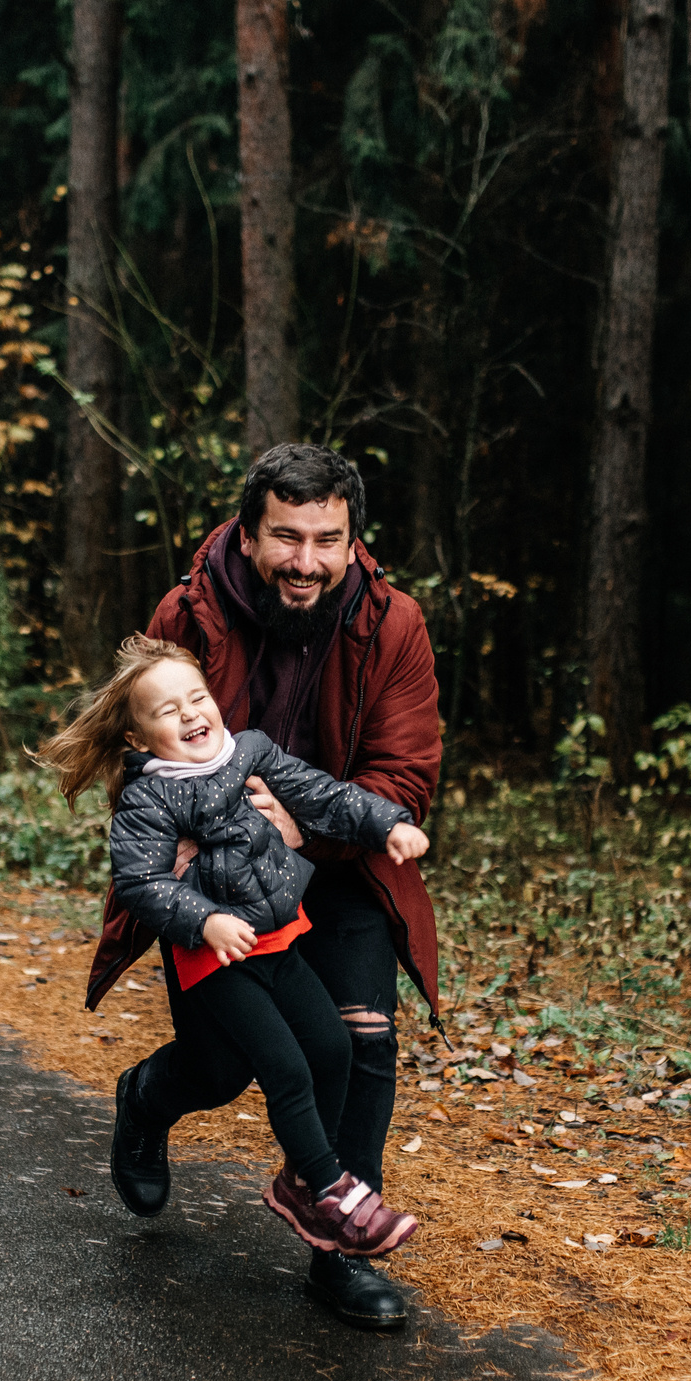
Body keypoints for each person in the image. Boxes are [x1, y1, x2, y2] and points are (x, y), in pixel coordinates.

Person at [84, 443, 443, 1328]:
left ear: (354, 539)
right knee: (224, 1064)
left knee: (359, 1041)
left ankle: (338, 1243)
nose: (307, 560)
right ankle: (146, 1098)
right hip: (215, 877)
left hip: (341, 860)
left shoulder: (393, 624)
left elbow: (403, 774)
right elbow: (145, 746)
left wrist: (306, 827)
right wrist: (181, 860)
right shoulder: (190, 608)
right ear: (249, 535)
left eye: (328, 539)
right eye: (287, 536)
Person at [38, 638, 430, 1257]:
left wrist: (388, 823)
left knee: (332, 1047)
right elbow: (142, 884)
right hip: (216, 960)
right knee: (285, 1069)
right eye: (168, 710)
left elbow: (323, 794)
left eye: (198, 697)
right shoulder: (147, 799)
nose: (191, 713)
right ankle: (326, 1188)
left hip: (278, 941)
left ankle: (304, 1175)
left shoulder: (251, 751)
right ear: (139, 740)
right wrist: (206, 920)